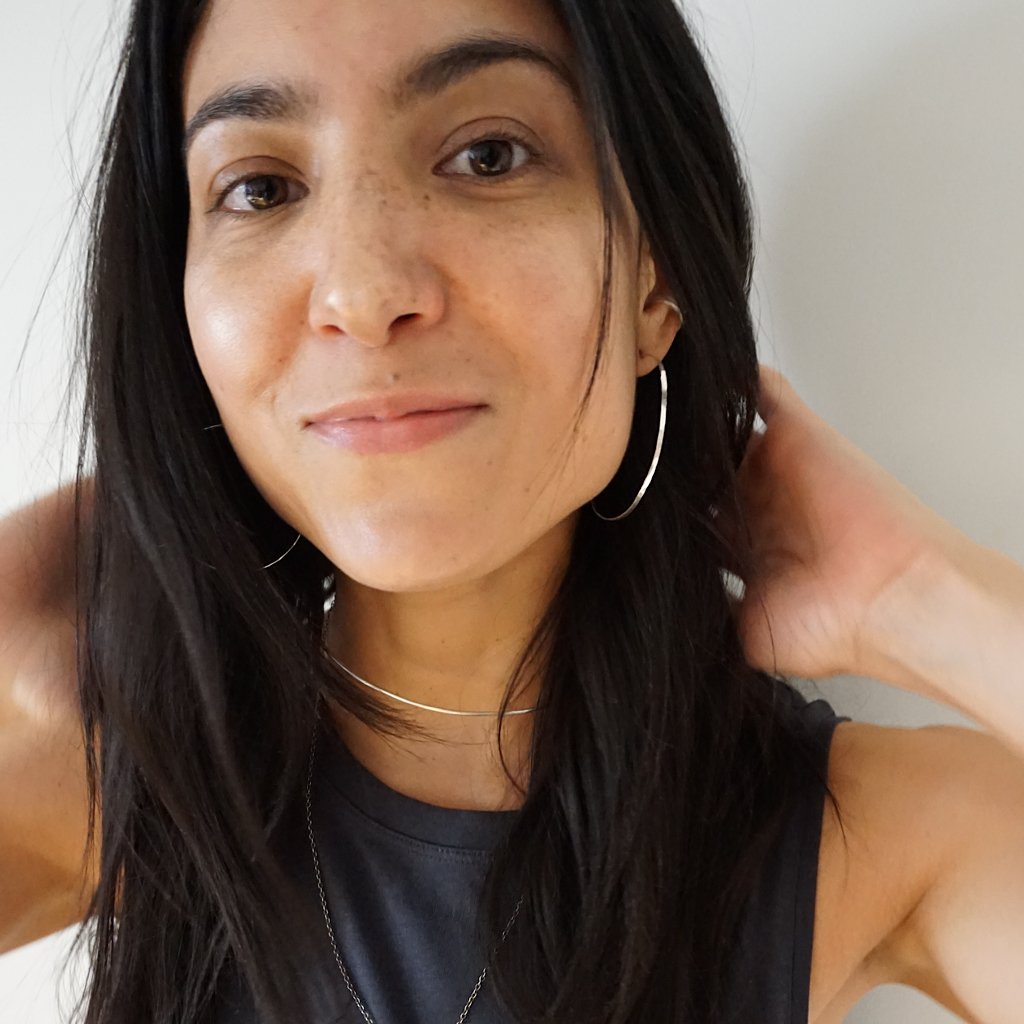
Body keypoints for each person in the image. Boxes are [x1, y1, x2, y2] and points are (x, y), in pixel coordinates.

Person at [2, 0, 1024, 1022]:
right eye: (260, 188)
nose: (362, 291)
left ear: (652, 285)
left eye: (487, 156)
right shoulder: (123, 785)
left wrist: (921, 595)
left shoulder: (875, 832)